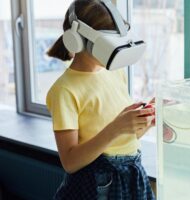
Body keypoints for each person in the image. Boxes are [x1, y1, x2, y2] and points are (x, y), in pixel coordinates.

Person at [46, 0, 155, 199]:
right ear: (76, 40)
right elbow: (70, 162)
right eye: (108, 41)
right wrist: (117, 127)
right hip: (97, 185)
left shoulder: (115, 72)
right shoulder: (64, 90)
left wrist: (143, 120)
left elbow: (120, 140)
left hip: (132, 176)